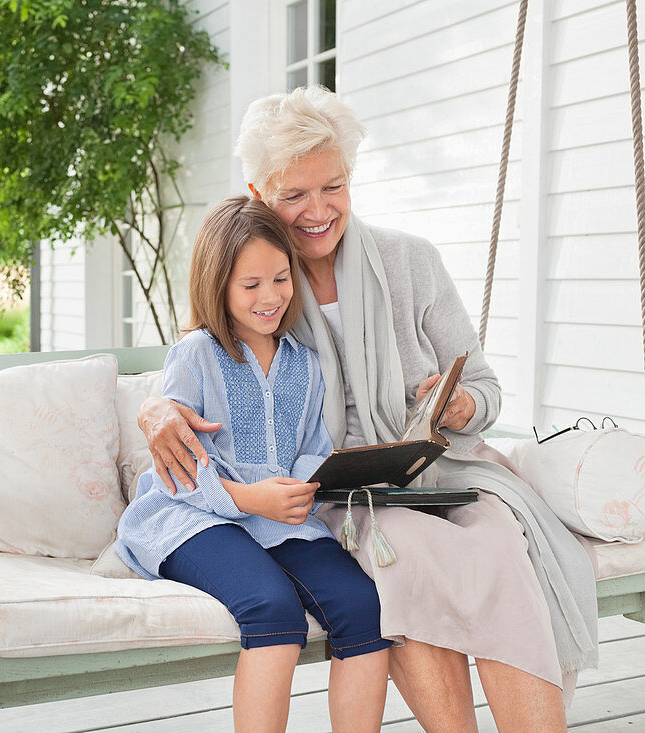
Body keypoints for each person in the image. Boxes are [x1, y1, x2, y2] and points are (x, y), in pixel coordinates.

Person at [137, 87, 599, 733]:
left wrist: (460, 402)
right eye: (294, 194)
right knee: (401, 556)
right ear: (258, 191)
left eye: (335, 186)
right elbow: (208, 357)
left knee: (500, 544)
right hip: (335, 488)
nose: (318, 210)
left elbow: (487, 391)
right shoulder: (263, 277)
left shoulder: (412, 261)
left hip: (439, 467)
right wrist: (155, 405)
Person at [115, 196, 392, 733]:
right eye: (251, 285)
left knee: (363, 604)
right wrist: (246, 498)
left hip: (278, 518)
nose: (271, 297)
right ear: (218, 285)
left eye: (282, 279)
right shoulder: (195, 355)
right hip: (191, 518)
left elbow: (314, 443)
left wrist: (310, 484)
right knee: (273, 608)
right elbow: (180, 467)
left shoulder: (306, 363)